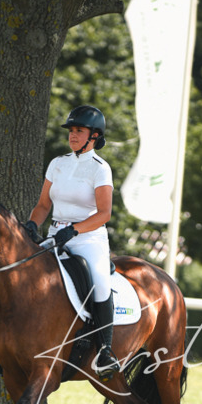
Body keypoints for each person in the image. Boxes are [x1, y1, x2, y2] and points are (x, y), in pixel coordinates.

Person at [25, 104, 120, 381]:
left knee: (100, 283)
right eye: (71, 131)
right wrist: (33, 223)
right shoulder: (57, 163)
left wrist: (75, 230)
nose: (73, 135)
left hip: (88, 238)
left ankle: (105, 351)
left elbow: (104, 213)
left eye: (79, 131)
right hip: (55, 235)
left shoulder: (100, 168)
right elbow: (44, 204)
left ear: (94, 136)